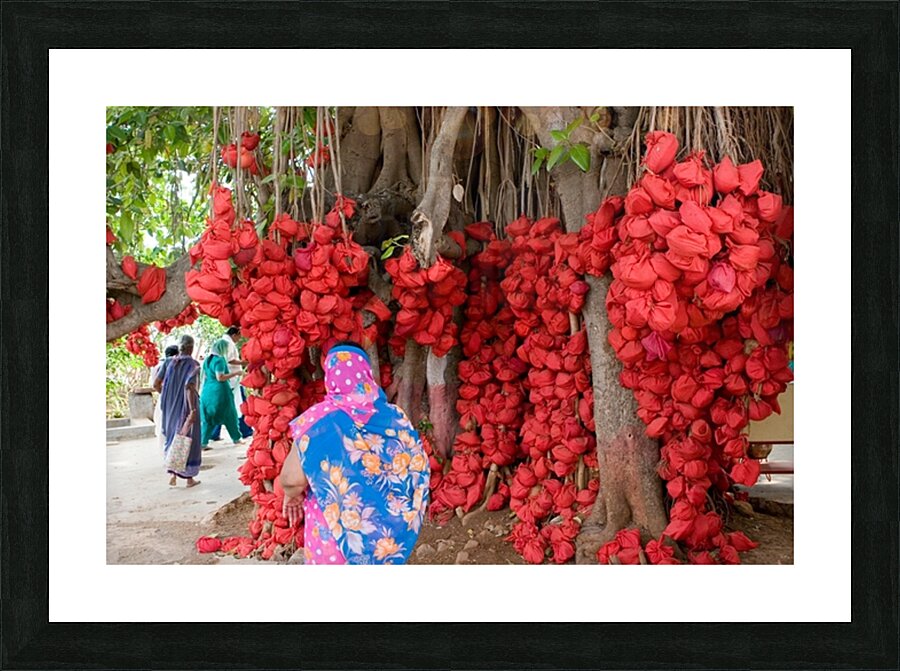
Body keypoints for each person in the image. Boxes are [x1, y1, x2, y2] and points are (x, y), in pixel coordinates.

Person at [280, 341, 430, 564]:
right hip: (385, 542)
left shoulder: (318, 421)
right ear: (366, 373)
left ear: (330, 375)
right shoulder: (396, 417)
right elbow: (418, 468)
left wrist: (291, 494)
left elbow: (292, 479)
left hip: (334, 541)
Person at [159, 335, 202, 488]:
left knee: (173, 438)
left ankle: (172, 475)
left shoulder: (169, 362)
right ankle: (189, 479)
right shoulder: (193, 365)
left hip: (169, 408)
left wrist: (167, 396)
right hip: (185, 407)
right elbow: (189, 388)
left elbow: (156, 383)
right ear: (191, 347)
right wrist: (192, 410)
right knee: (188, 439)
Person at [199, 338, 245, 449]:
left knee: (208, 419)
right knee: (230, 415)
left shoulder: (207, 360)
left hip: (207, 392)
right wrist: (236, 373)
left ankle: (203, 443)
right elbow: (220, 377)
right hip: (220, 393)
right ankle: (236, 438)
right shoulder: (220, 360)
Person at [209, 327, 253, 441]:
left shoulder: (223, 343)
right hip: (232, 379)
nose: (239, 339)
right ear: (235, 334)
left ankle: (214, 433)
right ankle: (245, 431)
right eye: (239, 336)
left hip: (230, 380)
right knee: (240, 404)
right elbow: (229, 360)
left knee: (223, 406)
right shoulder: (227, 343)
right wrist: (245, 362)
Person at [152, 345, 180, 453]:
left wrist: (163, 393)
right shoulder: (177, 365)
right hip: (175, 398)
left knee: (162, 424)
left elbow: (155, 385)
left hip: (163, 398)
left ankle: (166, 451)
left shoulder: (157, 366)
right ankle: (174, 453)